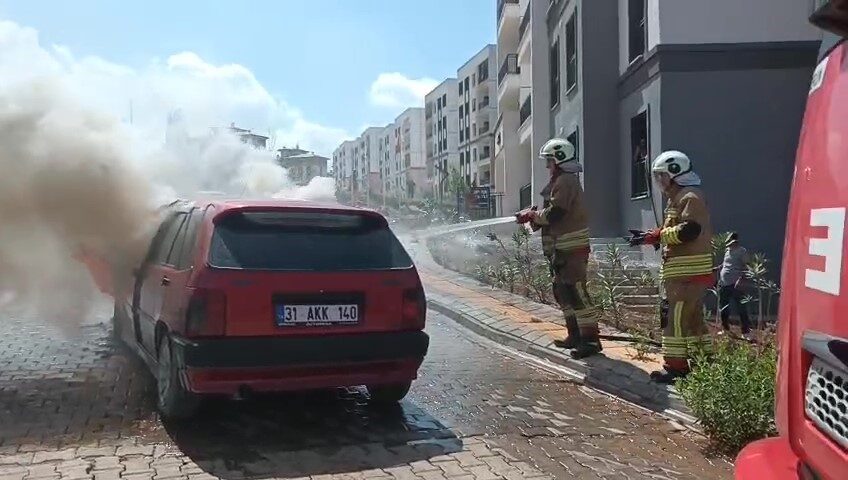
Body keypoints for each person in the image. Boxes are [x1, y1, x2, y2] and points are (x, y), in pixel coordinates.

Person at [628, 150, 714, 383]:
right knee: (693, 320)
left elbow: (689, 230)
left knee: (673, 318)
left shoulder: (689, 196)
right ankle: (703, 363)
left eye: (661, 176)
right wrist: (653, 237)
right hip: (687, 274)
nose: (659, 182)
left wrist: (656, 235)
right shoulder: (680, 197)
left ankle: (676, 367)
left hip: (687, 274)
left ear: (675, 174)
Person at [516, 138, 601, 359]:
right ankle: (575, 335)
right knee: (563, 292)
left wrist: (534, 215)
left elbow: (556, 213)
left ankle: (590, 340)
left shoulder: (566, 181)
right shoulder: (560, 181)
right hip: (561, 250)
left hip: (571, 249)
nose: (547, 166)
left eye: (549, 161)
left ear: (559, 160)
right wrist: (533, 217)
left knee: (577, 293)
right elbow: (552, 216)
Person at [718, 232, 753, 340]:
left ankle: (746, 332)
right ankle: (725, 329)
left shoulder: (742, 251)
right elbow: (726, 264)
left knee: (741, 308)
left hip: (736, 284)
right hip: (724, 283)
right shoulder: (727, 251)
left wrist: (741, 279)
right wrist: (716, 269)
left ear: (735, 242)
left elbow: (747, 267)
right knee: (723, 307)